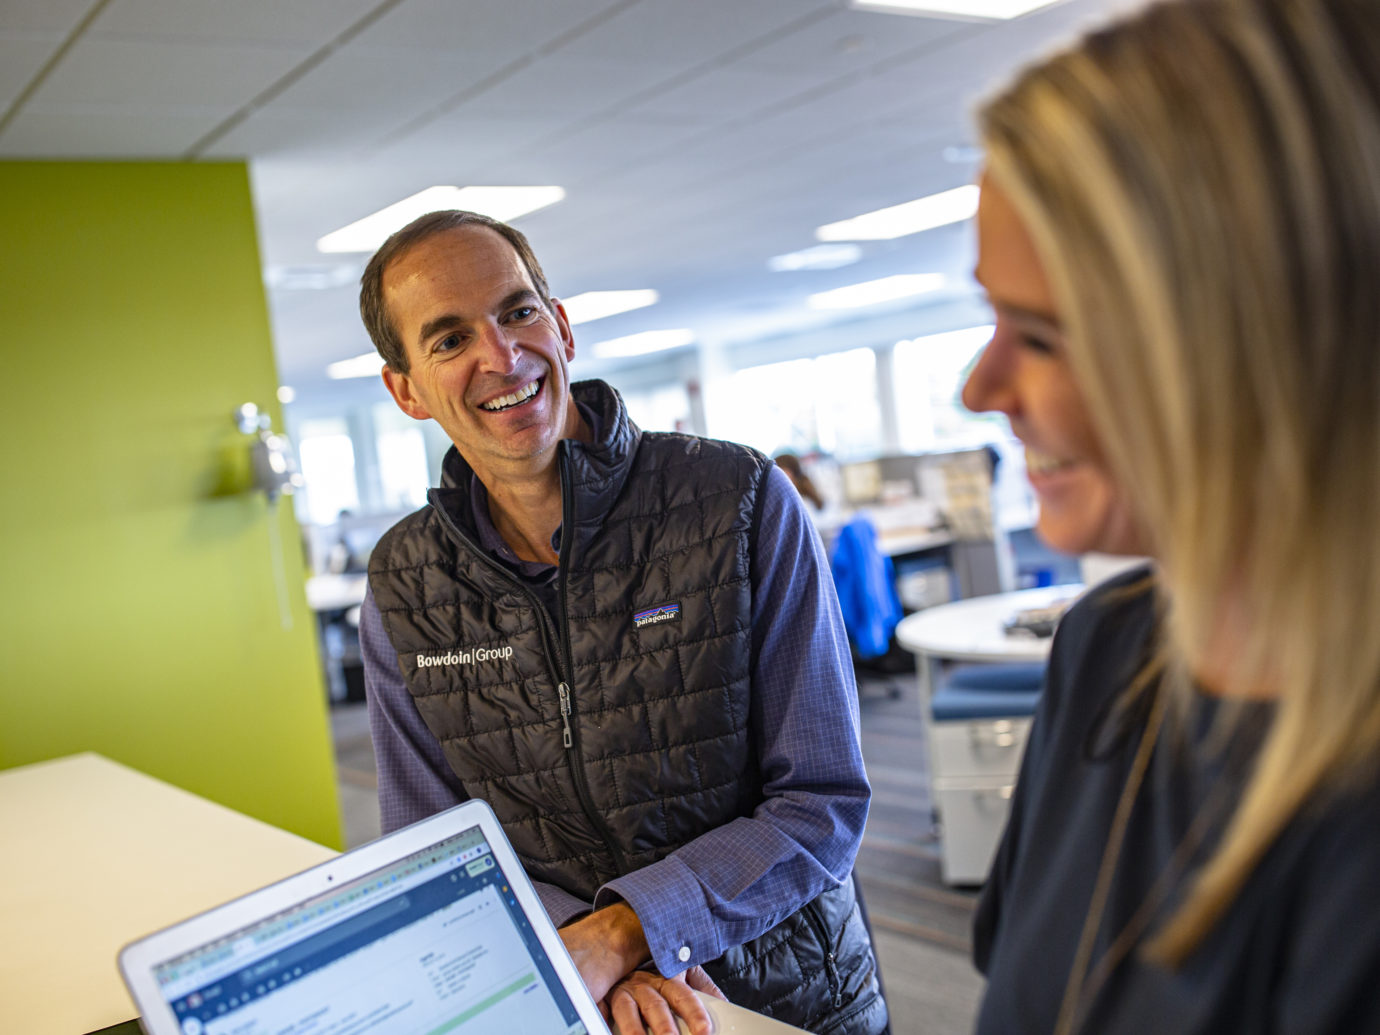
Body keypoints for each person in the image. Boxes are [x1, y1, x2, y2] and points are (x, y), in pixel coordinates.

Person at [353, 210, 889, 1035]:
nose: (501, 355)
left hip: (781, 1001)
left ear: (561, 326)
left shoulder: (736, 500)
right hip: (573, 1004)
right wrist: (583, 949)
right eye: (449, 339)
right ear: (407, 391)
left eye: (518, 311)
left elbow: (820, 803)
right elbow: (436, 854)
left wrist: (626, 931)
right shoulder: (404, 585)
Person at [959, 0, 1380, 1031]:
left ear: (1255, 345)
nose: (982, 387)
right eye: (992, 318)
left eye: (1043, 337)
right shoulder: (1110, 647)